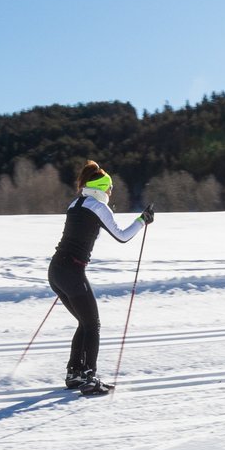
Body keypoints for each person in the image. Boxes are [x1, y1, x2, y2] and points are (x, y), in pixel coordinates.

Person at [49, 161, 153, 395]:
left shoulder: (75, 203)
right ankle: (89, 377)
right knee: (92, 325)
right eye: (110, 188)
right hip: (72, 272)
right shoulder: (98, 207)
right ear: (102, 186)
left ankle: (74, 373)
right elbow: (122, 236)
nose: (110, 192)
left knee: (84, 323)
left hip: (56, 270)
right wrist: (142, 220)